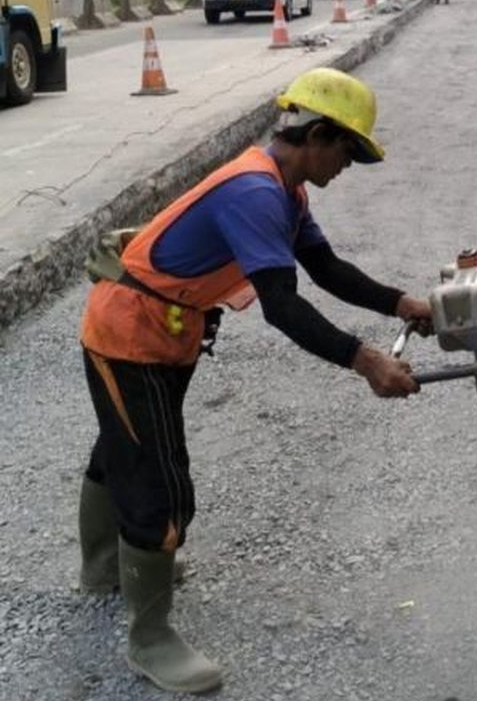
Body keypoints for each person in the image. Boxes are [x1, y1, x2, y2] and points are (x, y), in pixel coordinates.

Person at [76, 67, 430, 694]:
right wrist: (365, 360)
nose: (347, 167)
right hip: (129, 336)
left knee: (123, 448)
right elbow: (282, 306)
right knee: (159, 487)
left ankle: (106, 569)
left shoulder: (286, 191)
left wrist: (400, 302)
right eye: (347, 152)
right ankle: (149, 639)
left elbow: (325, 268)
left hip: (164, 330)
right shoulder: (254, 192)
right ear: (317, 135)